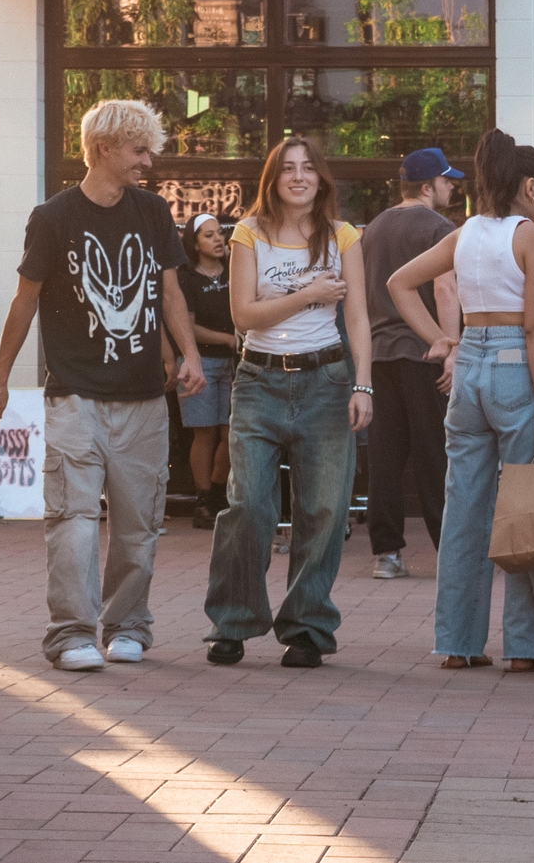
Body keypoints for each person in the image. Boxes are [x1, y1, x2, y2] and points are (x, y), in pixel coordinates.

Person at [0, 101, 205, 673]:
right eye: (138, 151)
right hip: (74, 395)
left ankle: (128, 625)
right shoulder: (52, 217)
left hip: (143, 399)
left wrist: (190, 354)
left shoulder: (154, 213)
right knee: (73, 520)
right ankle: (71, 634)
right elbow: (24, 302)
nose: (147, 162)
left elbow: (170, 294)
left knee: (138, 524)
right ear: (105, 148)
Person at [387, 130, 534, 672]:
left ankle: (458, 644)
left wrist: (441, 341)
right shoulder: (533, 236)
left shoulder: (462, 236)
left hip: (469, 370)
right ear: (529, 186)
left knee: (464, 511)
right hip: (515, 369)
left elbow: (398, 283)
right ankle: (524, 649)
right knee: (524, 508)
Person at [204, 137, 373, 669]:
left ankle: (306, 626)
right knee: (248, 505)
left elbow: (358, 317)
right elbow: (243, 317)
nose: (298, 177)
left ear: (321, 178)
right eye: (287, 170)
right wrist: (308, 295)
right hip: (258, 382)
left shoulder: (343, 237)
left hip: (326, 381)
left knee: (324, 509)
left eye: (308, 169)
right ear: (272, 180)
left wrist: (363, 384)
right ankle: (233, 622)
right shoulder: (248, 234)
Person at [360, 147, 464, 580]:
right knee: (433, 453)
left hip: (379, 354)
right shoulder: (439, 226)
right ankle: (447, 551)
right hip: (424, 353)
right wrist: (451, 346)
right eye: (446, 181)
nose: (451, 187)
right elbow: (444, 290)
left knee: (383, 455)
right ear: (427, 187)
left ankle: (387, 554)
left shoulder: (373, 228)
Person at [178, 214, 237, 529]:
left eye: (220, 234)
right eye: (208, 235)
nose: (218, 240)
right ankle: (203, 501)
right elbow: (187, 326)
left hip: (235, 364)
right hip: (201, 361)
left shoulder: (235, 271)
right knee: (205, 432)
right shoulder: (186, 278)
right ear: (195, 242)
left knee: (232, 432)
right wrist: (226, 338)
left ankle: (216, 493)